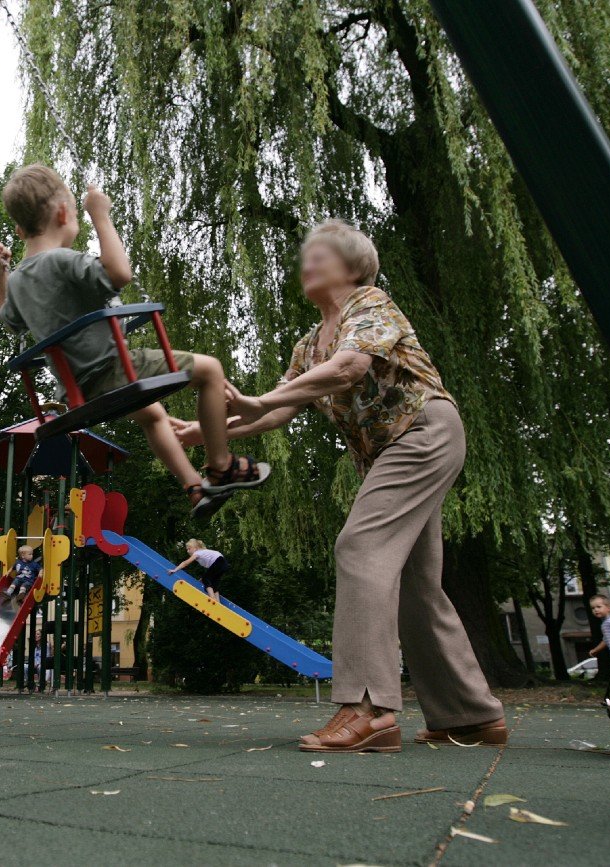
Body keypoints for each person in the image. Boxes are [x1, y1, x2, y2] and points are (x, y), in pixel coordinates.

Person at [178, 220, 503, 753]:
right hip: (388, 456)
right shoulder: (309, 346)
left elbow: (350, 367)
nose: (308, 263)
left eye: (321, 255)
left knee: (361, 548)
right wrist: (203, 430)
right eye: (306, 256)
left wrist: (257, 401)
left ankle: (369, 708)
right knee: (418, 587)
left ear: (353, 268)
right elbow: (276, 411)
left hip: (423, 433)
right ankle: (471, 716)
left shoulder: (370, 305)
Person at [0, 165, 269, 518]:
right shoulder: (61, 261)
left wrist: (1, 273)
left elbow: (9, 321)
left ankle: (195, 487)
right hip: (114, 370)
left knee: (153, 415)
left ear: (19, 228)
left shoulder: (18, 281)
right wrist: (101, 216)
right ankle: (221, 465)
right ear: (63, 213)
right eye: (77, 213)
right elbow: (119, 274)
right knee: (211, 371)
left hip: (77, 391)